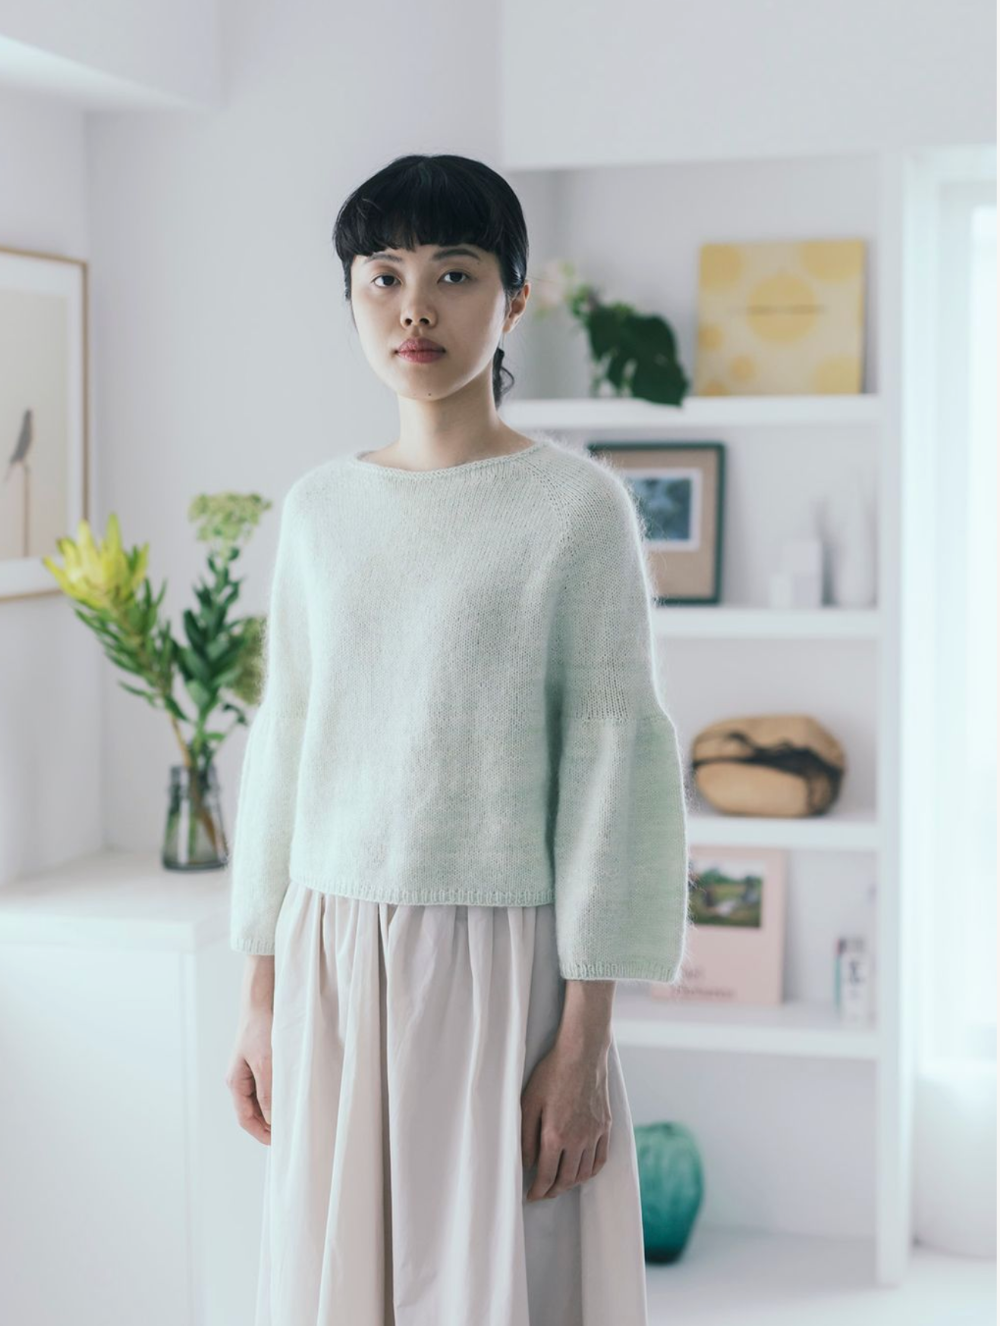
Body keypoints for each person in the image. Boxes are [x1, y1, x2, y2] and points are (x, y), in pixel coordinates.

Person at [224, 153, 690, 1326]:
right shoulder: (320, 511)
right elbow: (285, 746)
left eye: (454, 272)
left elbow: (610, 775)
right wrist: (259, 994)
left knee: (503, 1288)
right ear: (350, 298)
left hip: (505, 973)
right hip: (333, 960)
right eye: (381, 275)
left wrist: (582, 1047)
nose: (414, 306)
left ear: (514, 298)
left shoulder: (575, 511)